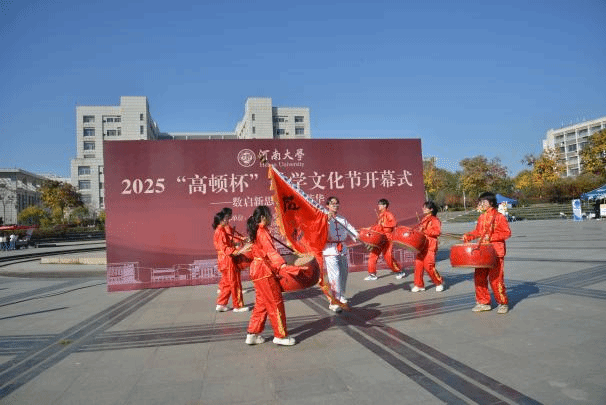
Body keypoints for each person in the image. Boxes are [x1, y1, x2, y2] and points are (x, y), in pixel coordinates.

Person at [245, 205, 295, 346]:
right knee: (275, 302)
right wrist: (282, 265)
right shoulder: (262, 232)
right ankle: (280, 336)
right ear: (263, 217)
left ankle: (252, 334)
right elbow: (270, 251)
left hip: (257, 270)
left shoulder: (256, 230)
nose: (271, 218)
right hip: (264, 271)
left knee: (261, 303)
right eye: (269, 215)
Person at [463, 192, 512, 314]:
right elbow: (478, 232)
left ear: (491, 203)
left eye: (484, 202)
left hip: (496, 252)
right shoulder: (481, 217)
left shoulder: (499, 217)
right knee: (479, 277)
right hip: (482, 252)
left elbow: (506, 233)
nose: (481, 204)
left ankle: (503, 303)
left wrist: (491, 237)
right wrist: (468, 236)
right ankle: (483, 302)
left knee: (496, 279)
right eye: (480, 202)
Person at [322, 196, 359, 312]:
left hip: (342, 249)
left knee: (344, 273)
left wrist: (358, 237)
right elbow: (317, 230)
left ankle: (341, 295)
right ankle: (334, 301)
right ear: (327, 205)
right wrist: (325, 221)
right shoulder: (322, 217)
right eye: (332, 203)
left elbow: (351, 229)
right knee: (335, 275)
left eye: (337, 203)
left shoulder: (342, 219)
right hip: (330, 249)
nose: (335, 205)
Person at [213, 209, 249, 313]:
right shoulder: (220, 231)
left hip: (224, 260)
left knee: (227, 283)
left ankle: (221, 304)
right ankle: (238, 306)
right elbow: (225, 248)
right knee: (234, 282)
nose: (227, 220)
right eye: (226, 219)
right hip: (227, 260)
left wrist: (242, 240)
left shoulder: (221, 230)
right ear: (221, 220)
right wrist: (237, 251)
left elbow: (231, 238)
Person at [365, 198, 404, 280]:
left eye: (380, 204)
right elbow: (378, 226)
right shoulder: (380, 215)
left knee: (388, 256)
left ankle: (399, 271)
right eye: (378, 204)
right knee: (373, 255)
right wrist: (370, 229)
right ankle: (372, 274)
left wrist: (384, 224)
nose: (378, 206)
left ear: (385, 205)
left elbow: (394, 223)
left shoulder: (388, 214)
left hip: (387, 238)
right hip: (379, 238)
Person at [411, 201, 444, 292]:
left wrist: (425, 231)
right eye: (423, 207)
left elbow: (437, 232)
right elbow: (422, 231)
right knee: (418, 265)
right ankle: (419, 285)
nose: (423, 209)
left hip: (430, 245)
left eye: (425, 208)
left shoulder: (435, 220)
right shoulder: (424, 219)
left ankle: (438, 282)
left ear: (431, 209)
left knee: (428, 266)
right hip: (421, 245)